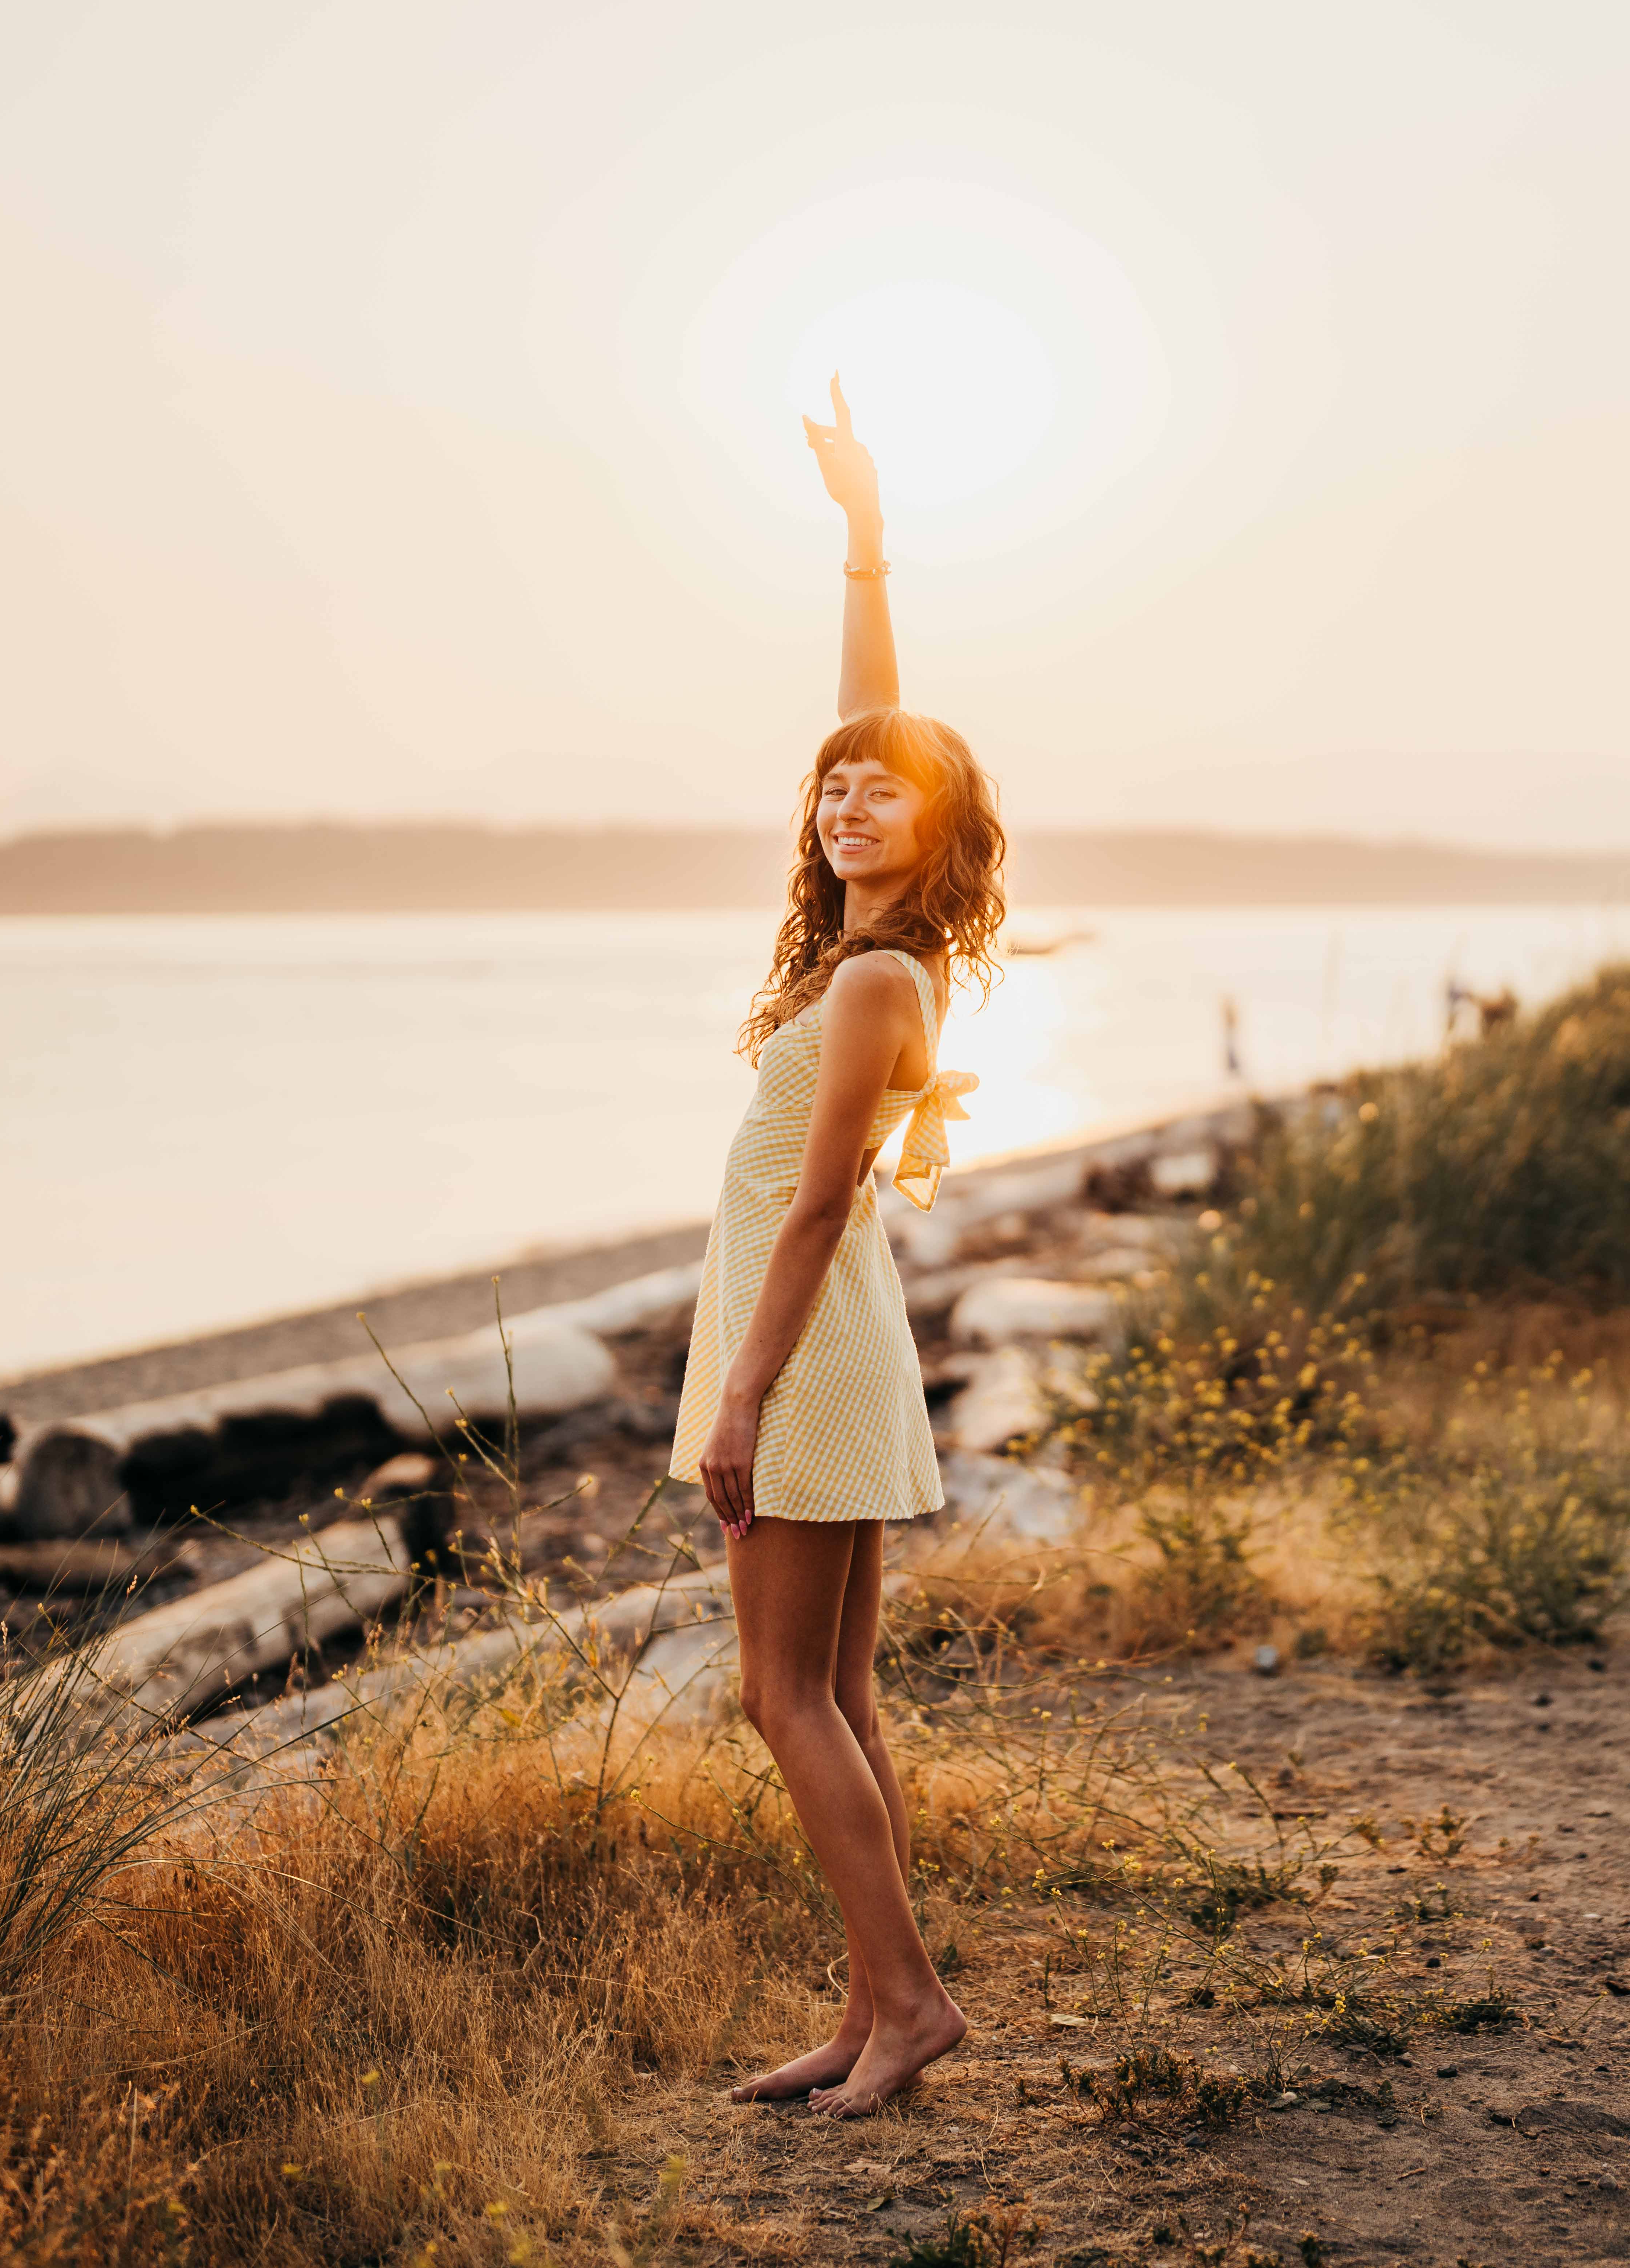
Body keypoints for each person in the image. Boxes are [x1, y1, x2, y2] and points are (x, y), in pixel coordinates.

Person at [668, 378, 1000, 2118]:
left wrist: (738, 1392)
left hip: (803, 1344)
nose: (853, 798)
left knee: (779, 1692)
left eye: (885, 795)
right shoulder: (853, 954)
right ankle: (880, 2005)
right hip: (830, 1333)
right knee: (839, 1691)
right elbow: (873, 716)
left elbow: (807, 1206)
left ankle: (915, 1996)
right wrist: (866, 539)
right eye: (835, 791)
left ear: (937, 832)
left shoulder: (879, 976)